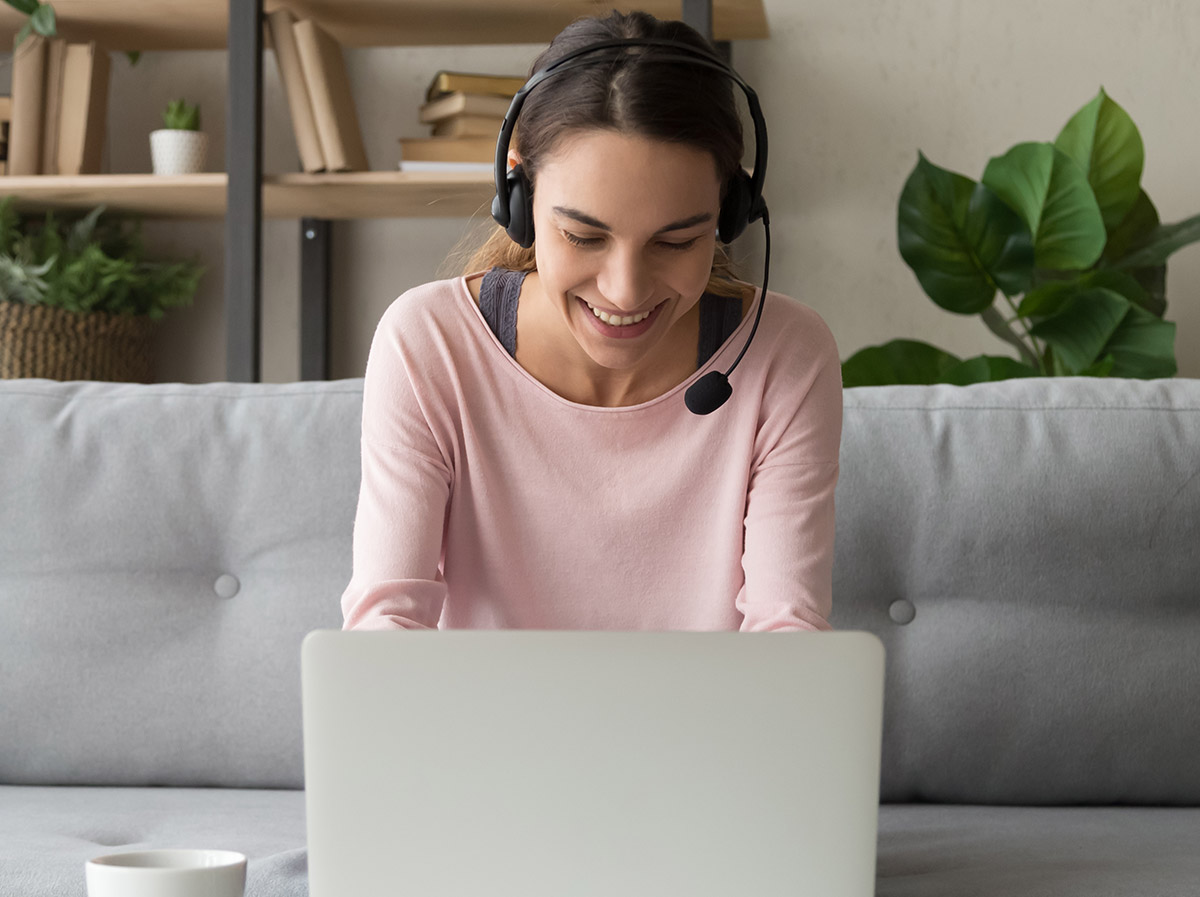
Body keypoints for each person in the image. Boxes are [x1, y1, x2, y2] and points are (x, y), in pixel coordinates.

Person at [340, 10, 843, 632]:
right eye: (583, 236)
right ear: (518, 193)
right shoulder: (429, 344)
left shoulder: (785, 355)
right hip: (478, 732)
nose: (624, 291)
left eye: (677, 242)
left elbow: (788, 636)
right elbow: (383, 632)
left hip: (710, 732)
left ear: (729, 210)